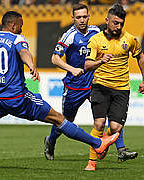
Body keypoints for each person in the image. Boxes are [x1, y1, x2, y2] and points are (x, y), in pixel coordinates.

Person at [0, 11, 120, 169]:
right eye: (20, 25)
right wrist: (31, 65)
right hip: (17, 98)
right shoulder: (17, 38)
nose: (22, 28)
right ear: (13, 26)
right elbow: (24, 51)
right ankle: (98, 143)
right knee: (58, 118)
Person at [44, 4, 132, 168]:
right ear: (73, 19)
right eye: (78, 17)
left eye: (84, 17)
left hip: (94, 84)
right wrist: (72, 69)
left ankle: (121, 149)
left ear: (88, 17)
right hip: (74, 87)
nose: (82, 20)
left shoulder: (96, 32)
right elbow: (55, 58)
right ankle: (51, 140)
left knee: (105, 117)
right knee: (66, 121)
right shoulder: (69, 36)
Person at [84, 4, 144, 171]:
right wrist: (100, 60)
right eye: (115, 23)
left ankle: (104, 142)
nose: (118, 26)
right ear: (107, 21)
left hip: (121, 89)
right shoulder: (95, 40)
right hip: (100, 86)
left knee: (115, 128)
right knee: (99, 124)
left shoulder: (130, 39)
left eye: (121, 23)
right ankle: (91, 162)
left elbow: (140, 57)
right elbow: (87, 64)